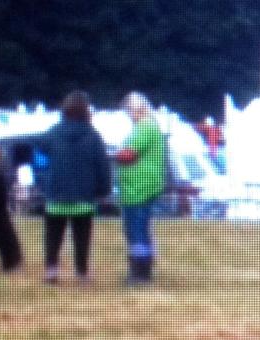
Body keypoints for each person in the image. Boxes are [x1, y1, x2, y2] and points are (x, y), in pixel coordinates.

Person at [35, 90, 111, 285]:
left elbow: (40, 145)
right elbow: (103, 165)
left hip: (57, 193)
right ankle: (82, 273)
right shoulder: (93, 135)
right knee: (82, 237)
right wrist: (104, 190)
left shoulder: (54, 132)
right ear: (86, 110)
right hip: (84, 196)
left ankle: (51, 271)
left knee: (53, 235)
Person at [113, 93, 166, 284]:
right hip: (137, 186)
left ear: (137, 109)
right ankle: (143, 268)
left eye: (129, 110)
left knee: (136, 229)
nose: (128, 114)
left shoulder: (145, 128)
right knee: (139, 228)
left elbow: (129, 154)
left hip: (140, 187)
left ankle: (140, 272)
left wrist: (112, 155)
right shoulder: (148, 127)